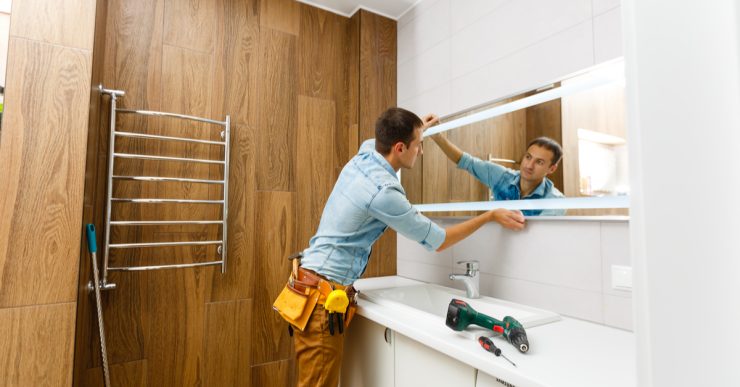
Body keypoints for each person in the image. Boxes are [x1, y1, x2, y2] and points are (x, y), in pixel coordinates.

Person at [284, 107, 526, 387]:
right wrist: (490, 215)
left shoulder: (365, 156)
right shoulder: (385, 192)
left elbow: (383, 140)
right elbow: (439, 241)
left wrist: (418, 127)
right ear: (400, 148)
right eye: (418, 145)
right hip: (321, 299)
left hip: (310, 284)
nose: (421, 152)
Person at [431, 133, 566, 216]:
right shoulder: (502, 177)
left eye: (539, 162)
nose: (529, 165)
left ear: (552, 169)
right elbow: (466, 161)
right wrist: (437, 137)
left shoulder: (555, 201)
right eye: (528, 157)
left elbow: (540, 239)